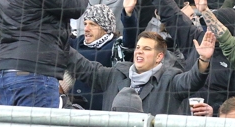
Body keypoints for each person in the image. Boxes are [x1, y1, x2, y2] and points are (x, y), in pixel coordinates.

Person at [67, 30, 215, 115]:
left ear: (159, 57)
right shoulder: (115, 74)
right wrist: (57, 42)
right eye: (138, 47)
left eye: (146, 49)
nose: (139, 52)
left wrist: (203, 59)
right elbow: (84, 67)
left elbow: (192, 80)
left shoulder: (170, 80)